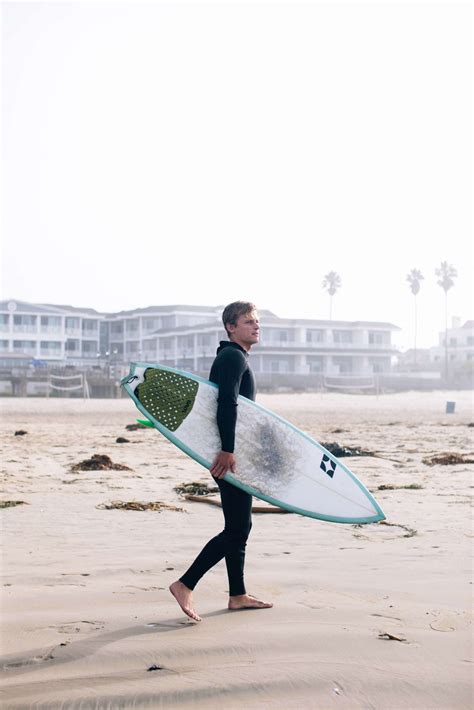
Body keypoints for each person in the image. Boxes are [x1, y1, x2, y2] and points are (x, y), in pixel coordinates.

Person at [169, 301, 273, 621]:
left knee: (238, 525)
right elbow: (226, 404)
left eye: (257, 321)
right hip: (227, 454)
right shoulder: (231, 357)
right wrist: (228, 449)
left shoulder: (234, 356)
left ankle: (238, 595)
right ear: (231, 326)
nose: (256, 326)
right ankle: (185, 584)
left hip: (231, 451)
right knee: (238, 527)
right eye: (248, 322)